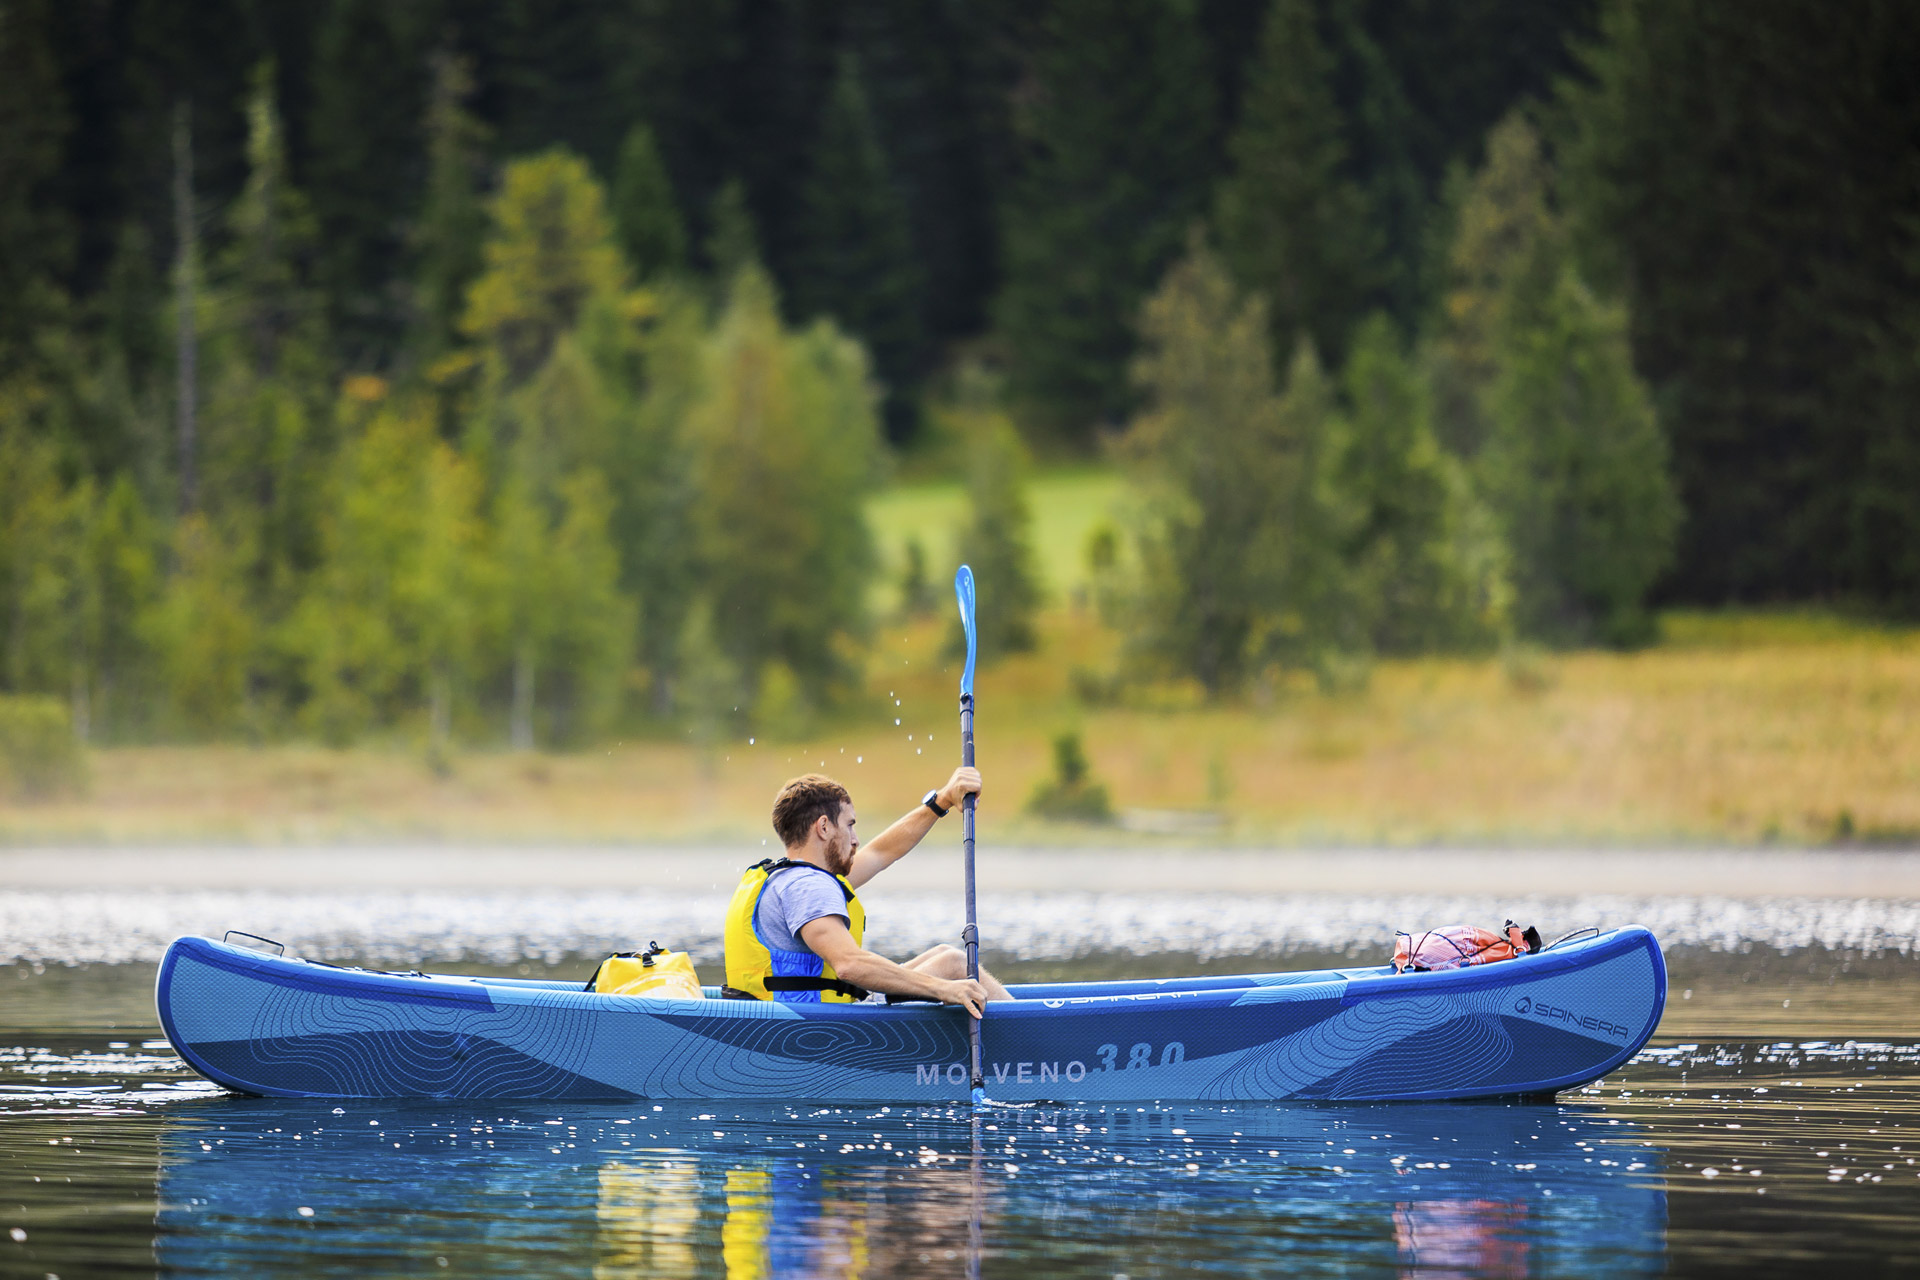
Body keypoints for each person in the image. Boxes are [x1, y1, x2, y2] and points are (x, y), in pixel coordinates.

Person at [722, 769, 1011, 1017]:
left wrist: (942, 801)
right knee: (954, 964)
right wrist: (944, 989)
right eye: (850, 825)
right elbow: (848, 965)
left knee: (944, 955)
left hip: (801, 1018)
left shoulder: (788, 878)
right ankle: (1040, 1042)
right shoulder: (808, 887)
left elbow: (882, 852)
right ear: (823, 827)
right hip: (811, 1031)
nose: (857, 840)